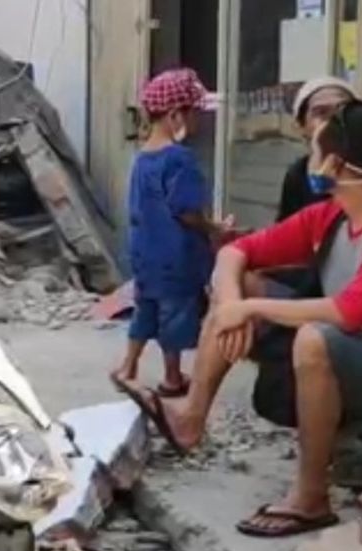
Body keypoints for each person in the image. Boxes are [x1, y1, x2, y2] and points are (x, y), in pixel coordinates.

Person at [119, 101, 362, 538]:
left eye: (314, 149)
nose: (307, 159)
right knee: (243, 285)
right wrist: (234, 302)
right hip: (352, 346)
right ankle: (191, 418)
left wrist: (248, 310)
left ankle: (311, 498)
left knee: (311, 336)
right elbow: (237, 252)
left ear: (333, 163)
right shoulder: (330, 215)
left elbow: (348, 311)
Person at [112, 68, 233, 398]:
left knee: (145, 309)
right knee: (175, 317)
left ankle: (128, 365)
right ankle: (171, 378)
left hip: (144, 255)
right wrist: (215, 228)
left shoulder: (142, 158)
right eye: (195, 113)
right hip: (175, 257)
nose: (199, 121)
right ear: (175, 114)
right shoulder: (179, 160)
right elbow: (186, 211)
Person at [278, 77, 362, 221]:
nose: (333, 121)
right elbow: (285, 236)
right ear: (302, 127)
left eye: (343, 110)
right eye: (321, 112)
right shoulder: (298, 175)